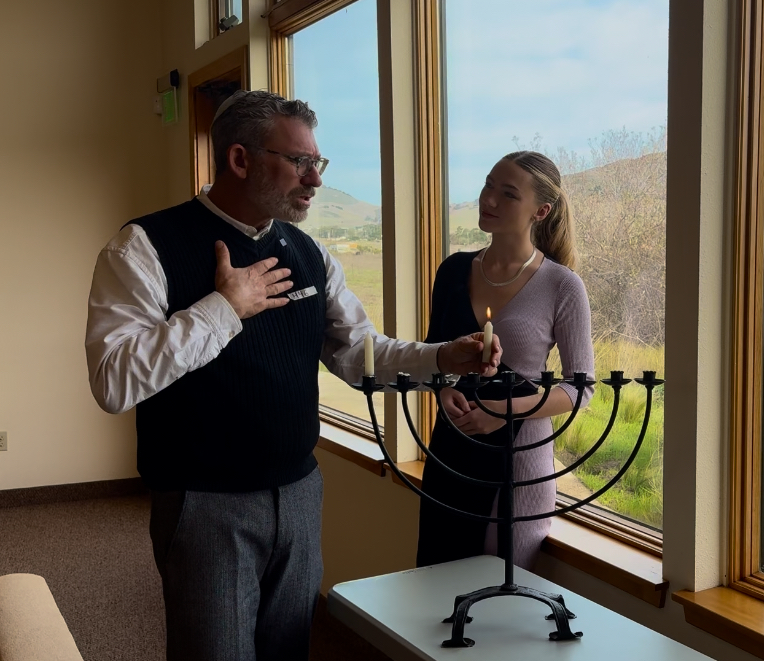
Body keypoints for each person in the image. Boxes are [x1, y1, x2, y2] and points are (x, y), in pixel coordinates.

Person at [84, 90, 500, 661]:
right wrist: (223, 309)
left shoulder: (309, 253)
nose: (315, 180)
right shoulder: (144, 247)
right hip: (205, 505)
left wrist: (442, 358)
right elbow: (113, 380)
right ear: (240, 160)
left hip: (301, 493)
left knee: (289, 650)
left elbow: (359, 354)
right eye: (300, 162)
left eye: (317, 163)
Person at [416, 151, 594, 571]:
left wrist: (504, 413)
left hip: (519, 462)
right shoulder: (453, 270)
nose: (489, 200)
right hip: (450, 452)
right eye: (488, 185)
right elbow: (431, 355)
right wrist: (442, 392)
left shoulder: (562, 286)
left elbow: (581, 387)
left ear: (541, 211)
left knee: (498, 596)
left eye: (508, 194)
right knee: (434, 588)